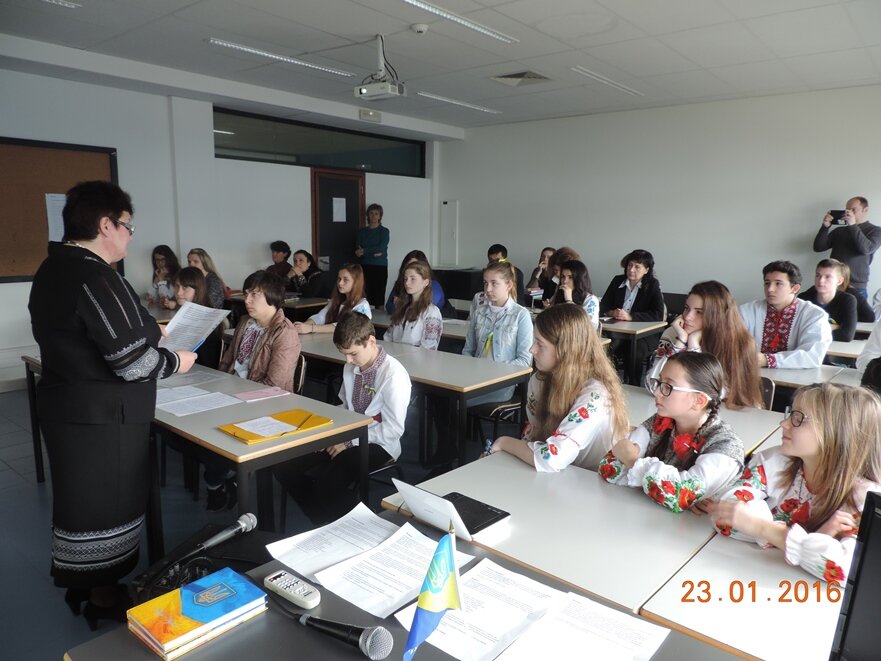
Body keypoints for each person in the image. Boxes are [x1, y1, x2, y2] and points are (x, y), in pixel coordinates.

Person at [28, 181, 196, 627]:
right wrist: (176, 361)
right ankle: (104, 596)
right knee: (107, 505)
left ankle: (85, 586)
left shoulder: (54, 268)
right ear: (106, 225)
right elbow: (132, 363)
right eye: (128, 226)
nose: (130, 236)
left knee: (80, 502)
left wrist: (151, 331)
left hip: (71, 408)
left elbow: (95, 333)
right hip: (104, 419)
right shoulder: (95, 275)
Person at [705, 383, 881, 583]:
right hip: (754, 577)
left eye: (798, 418)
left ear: (837, 432)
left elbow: (850, 570)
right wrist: (816, 540)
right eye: (790, 414)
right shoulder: (774, 461)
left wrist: (763, 528)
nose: (784, 423)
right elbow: (727, 515)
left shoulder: (866, 497)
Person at [273, 313, 411, 524]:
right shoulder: (351, 366)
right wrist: (325, 431)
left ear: (371, 341)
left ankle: (347, 523)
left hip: (379, 443)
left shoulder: (393, 376)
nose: (348, 361)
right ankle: (326, 519)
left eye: (353, 354)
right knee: (284, 464)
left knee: (328, 481)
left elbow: (392, 430)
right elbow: (346, 408)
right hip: (348, 434)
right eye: (344, 354)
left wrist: (349, 442)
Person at [486, 304, 628, 471]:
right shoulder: (539, 380)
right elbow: (535, 439)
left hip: (592, 480)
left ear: (566, 350)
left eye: (540, 344)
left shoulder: (596, 395)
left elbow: (552, 458)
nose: (532, 349)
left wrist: (503, 442)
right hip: (560, 475)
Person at [599, 353, 744, 512]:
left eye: (668, 387)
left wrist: (633, 462)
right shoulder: (660, 421)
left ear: (699, 401)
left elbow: (680, 495)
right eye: (659, 382)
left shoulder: (725, 444)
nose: (657, 392)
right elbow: (609, 468)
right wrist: (657, 487)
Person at [215, 270, 301, 510]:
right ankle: (221, 478)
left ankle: (226, 477)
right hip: (234, 395)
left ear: (272, 297)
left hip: (265, 405)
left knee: (213, 438)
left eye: (255, 295)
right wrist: (217, 388)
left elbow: (274, 387)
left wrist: (232, 397)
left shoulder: (284, 333)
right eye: (247, 294)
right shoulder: (246, 322)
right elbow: (228, 361)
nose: (247, 300)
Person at [647, 281, 764, 409]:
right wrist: (680, 342)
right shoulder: (674, 334)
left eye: (699, 312)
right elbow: (653, 387)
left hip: (726, 413)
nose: (687, 317)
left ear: (717, 317)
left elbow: (711, 395)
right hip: (684, 413)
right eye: (686, 308)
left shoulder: (740, 345)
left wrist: (693, 346)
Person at [462, 260, 533, 405]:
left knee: (456, 401)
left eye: (494, 283)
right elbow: (468, 350)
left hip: (501, 384)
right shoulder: (479, 313)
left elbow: (525, 361)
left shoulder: (521, 315)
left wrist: (492, 370)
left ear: (509, 285)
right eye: (485, 283)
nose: (488, 289)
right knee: (442, 396)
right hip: (474, 379)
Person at [739, 260, 832, 368]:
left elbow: (812, 356)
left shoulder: (815, 315)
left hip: (797, 377)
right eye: (767, 283)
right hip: (752, 374)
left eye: (778, 283)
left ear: (795, 288)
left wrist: (767, 360)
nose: (770, 289)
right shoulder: (747, 310)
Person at [599, 248, 664, 384]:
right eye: (630, 265)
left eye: (637, 267)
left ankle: (634, 384)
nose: (631, 269)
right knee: (606, 348)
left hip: (644, 335)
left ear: (646, 270)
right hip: (618, 331)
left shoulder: (652, 285)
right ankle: (610, 382)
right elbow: (603, 305)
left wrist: (630, 316)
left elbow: (658, 314)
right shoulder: (618, 280)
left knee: (634, 352)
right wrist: (612, 312)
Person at [813, 197, 881, 301]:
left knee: (856, 312)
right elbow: (818, 247)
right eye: (847, 209)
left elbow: (866, 249)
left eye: (853, 209)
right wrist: (825, 227)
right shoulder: (840, 230)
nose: (849, 212)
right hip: (833, 283)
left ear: (865, 210)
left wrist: (852, 225)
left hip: (856, 287)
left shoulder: (876, 231)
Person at [169, 267, 225, 368]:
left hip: (200, 369)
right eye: (177, 286)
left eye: (185, 287)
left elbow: (205, 360)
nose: (178, 293)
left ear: (197, 291)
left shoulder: (207, 318)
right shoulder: (185, 312)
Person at [295, 263, 371, 334]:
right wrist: (303, 326)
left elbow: (344, 326)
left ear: (356, 282)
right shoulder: (336, 301)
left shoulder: (362, 305)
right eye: (339, 279)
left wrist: (310, 328)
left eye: (345, 280)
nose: (340, 283)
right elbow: (321, 316)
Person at [384, 260, 443, 350]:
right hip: (396, 356)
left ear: (425, 282)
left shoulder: (432, 312)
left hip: (416, 358)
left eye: (413, 279)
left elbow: (429, 348)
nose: (407, 283)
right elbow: (388, 338)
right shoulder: (402, 307)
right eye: (405, 279)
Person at [798, 259, 857, 341]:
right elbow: (796, 331)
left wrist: (812, 329)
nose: (821, 280)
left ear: (839, 281)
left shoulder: (848, 300)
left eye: (828, 277)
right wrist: (832, 327)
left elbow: (847, 335)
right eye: (818, 275)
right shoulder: (803, 298)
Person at [385, 249, 447, 314]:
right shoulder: (402, 282)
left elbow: (422, 310)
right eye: (408, 265)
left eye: (415, 266)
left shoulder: (434, 286)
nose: (410, 268)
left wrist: (400, 302)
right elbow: (389, 308)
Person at [355, 203, 390, 308]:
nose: (373, 216)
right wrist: (374, 253)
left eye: (376, 214)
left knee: (379, 298)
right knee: (363, 297)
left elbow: (381, 248)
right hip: (364, 266)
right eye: (371, 213)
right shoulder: (362, 232)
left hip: (379, 267)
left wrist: (365, 251)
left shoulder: (384, 231)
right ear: (368, 215)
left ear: (380, 216)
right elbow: (358, 249)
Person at [551, 259, 599, 329]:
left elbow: (589, 327)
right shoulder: (559, 294)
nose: (565, 281)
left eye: (570, 277)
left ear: (579, 279)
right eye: (563, 277)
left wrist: (569, 300)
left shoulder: (590, 299)